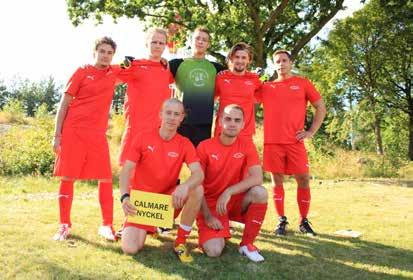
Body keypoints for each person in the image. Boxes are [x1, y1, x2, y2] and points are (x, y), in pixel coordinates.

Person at [52, 37, 121, 241]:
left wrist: (162, 63)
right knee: (68, 177)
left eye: (109, 52)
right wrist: (57, 135)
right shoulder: (82, 71)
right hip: (73, 131)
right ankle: (64, 225)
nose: (105, 55)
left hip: (97, 135)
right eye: (102, 51)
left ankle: (106, 225)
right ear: (94, 52)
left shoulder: (114, 72)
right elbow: (64, 104)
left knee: (106, 178)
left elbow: (137, 66)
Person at [119, 98, 204, 263]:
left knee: (197, 189)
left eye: (177, 114)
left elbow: (198, 174)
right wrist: (124, 197)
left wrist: (185, 186)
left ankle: (180, 241)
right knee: (130, 249)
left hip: (168, 202)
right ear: (160, 114)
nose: (172, 118)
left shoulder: (185, 143)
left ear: (182, 118)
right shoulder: (143, 137)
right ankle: (147, 226)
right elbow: (126, 171)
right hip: (143, 204)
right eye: (168, 113)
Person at [255, 50, 326, 236]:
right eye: (277, 61)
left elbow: (320, 107)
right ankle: (281, 220)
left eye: (284, 60)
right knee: (276, 180)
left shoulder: (303, 83)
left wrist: (311, 131)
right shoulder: (266, 87)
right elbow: (247, 97)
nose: (281, 64)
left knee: (303, 179)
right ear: (274, 65)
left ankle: (304, 221)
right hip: (272, 142)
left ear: (291, 62)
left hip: (295, 142)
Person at [196, 104, 268, 262]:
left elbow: (257, 178)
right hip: (211, 205)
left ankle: (246, 244)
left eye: (237, 120)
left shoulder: (247, 145)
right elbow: (196, 185)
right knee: (214, 251)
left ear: (243, 124)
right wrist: (207, 216)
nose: (232, 123)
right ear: (220, 121)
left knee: (260, 192)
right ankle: (215, 231)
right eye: (228, 118)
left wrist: (228, 191)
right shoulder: (205, 147)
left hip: (233, 200)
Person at [118, 28, 174, 165]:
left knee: (153, 174)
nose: (157, 46)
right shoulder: (134, 65)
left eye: (161, 43)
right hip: (136, 128)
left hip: (158, 129)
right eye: (154, 42)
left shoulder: (166, 68)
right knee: (129, 172)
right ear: (146, 44)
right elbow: (110, 76)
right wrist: (122, 64)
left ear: (165, 46)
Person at [169, 27, 226, 146]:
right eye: (197, 38)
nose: (200, 42)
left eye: (204, 40)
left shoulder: (217, 68)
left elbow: (236, 77)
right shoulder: (176, 64)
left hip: (203, 123)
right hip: (179, 121)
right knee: (174, 161)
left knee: (199, 162)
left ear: (208, 44)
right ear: (191, 41)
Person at [214, 42, 261, 140]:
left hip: (245, 133)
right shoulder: (220, 77)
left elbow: (262, 98)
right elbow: (211, 100)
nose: (240, 60)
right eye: (237, 57)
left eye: (244, 58)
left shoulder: (254, 79)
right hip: (222, 132)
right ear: (231, 58)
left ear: (249, 60)